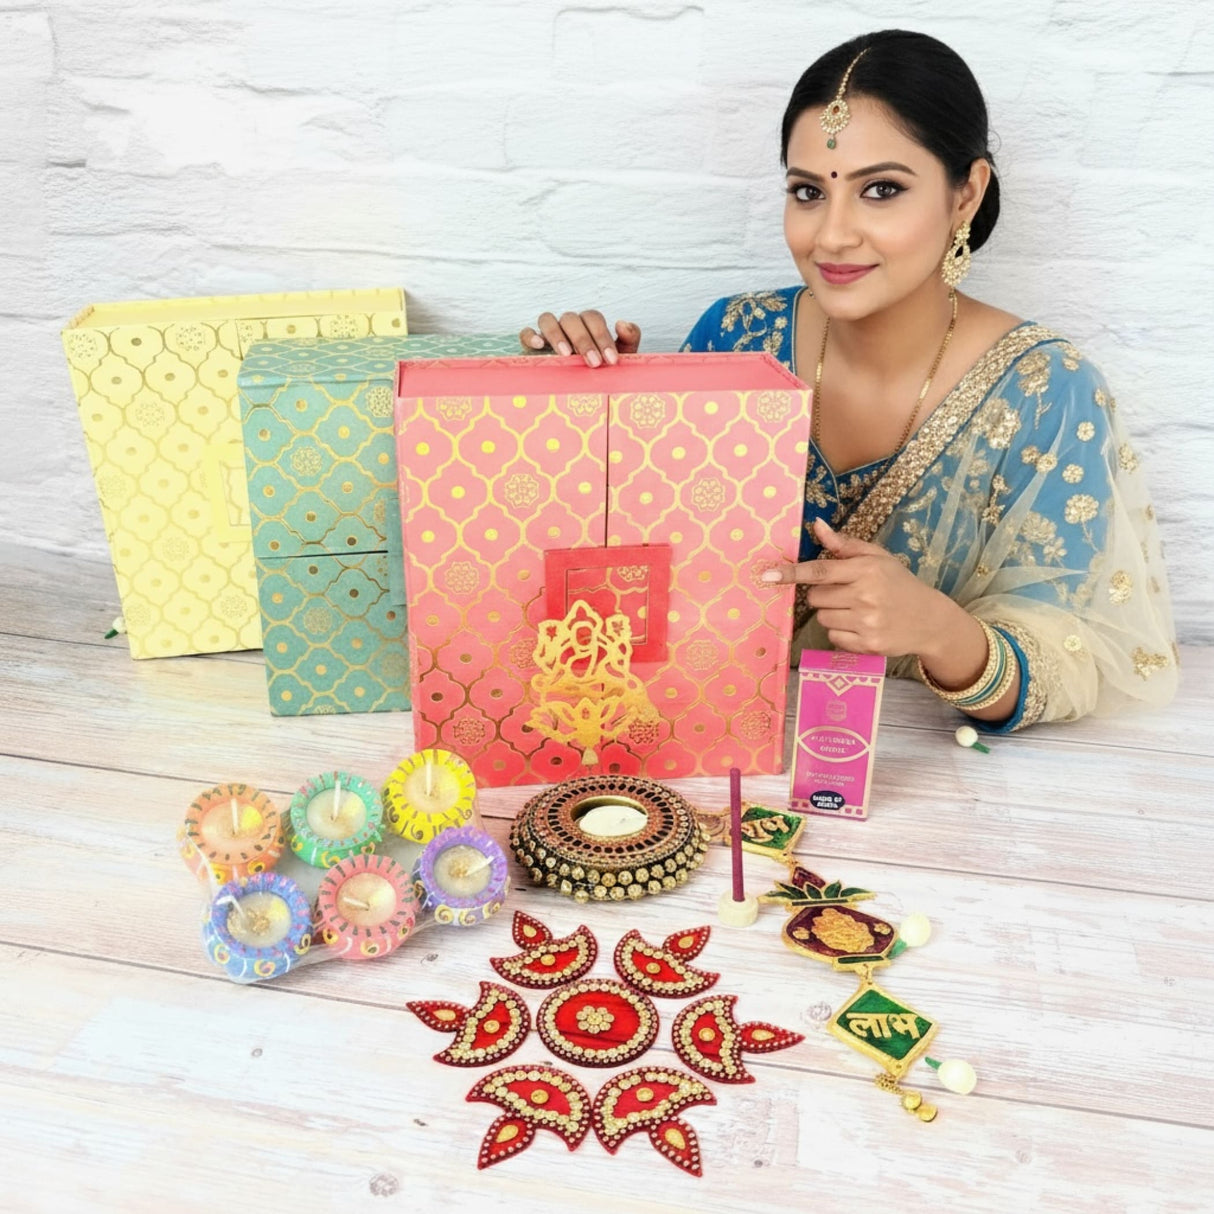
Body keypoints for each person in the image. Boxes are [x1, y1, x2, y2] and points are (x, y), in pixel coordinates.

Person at [519, 29, 1177, 732]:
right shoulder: (739, 341)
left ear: (966, 193)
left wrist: (938, 630)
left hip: (919, 781)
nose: (831, 235)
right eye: (807, 192)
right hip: (705, 742)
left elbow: (1080, 662)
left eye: (881, 190)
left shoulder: (1046, 390)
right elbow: (636, 581)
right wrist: (585, 410)